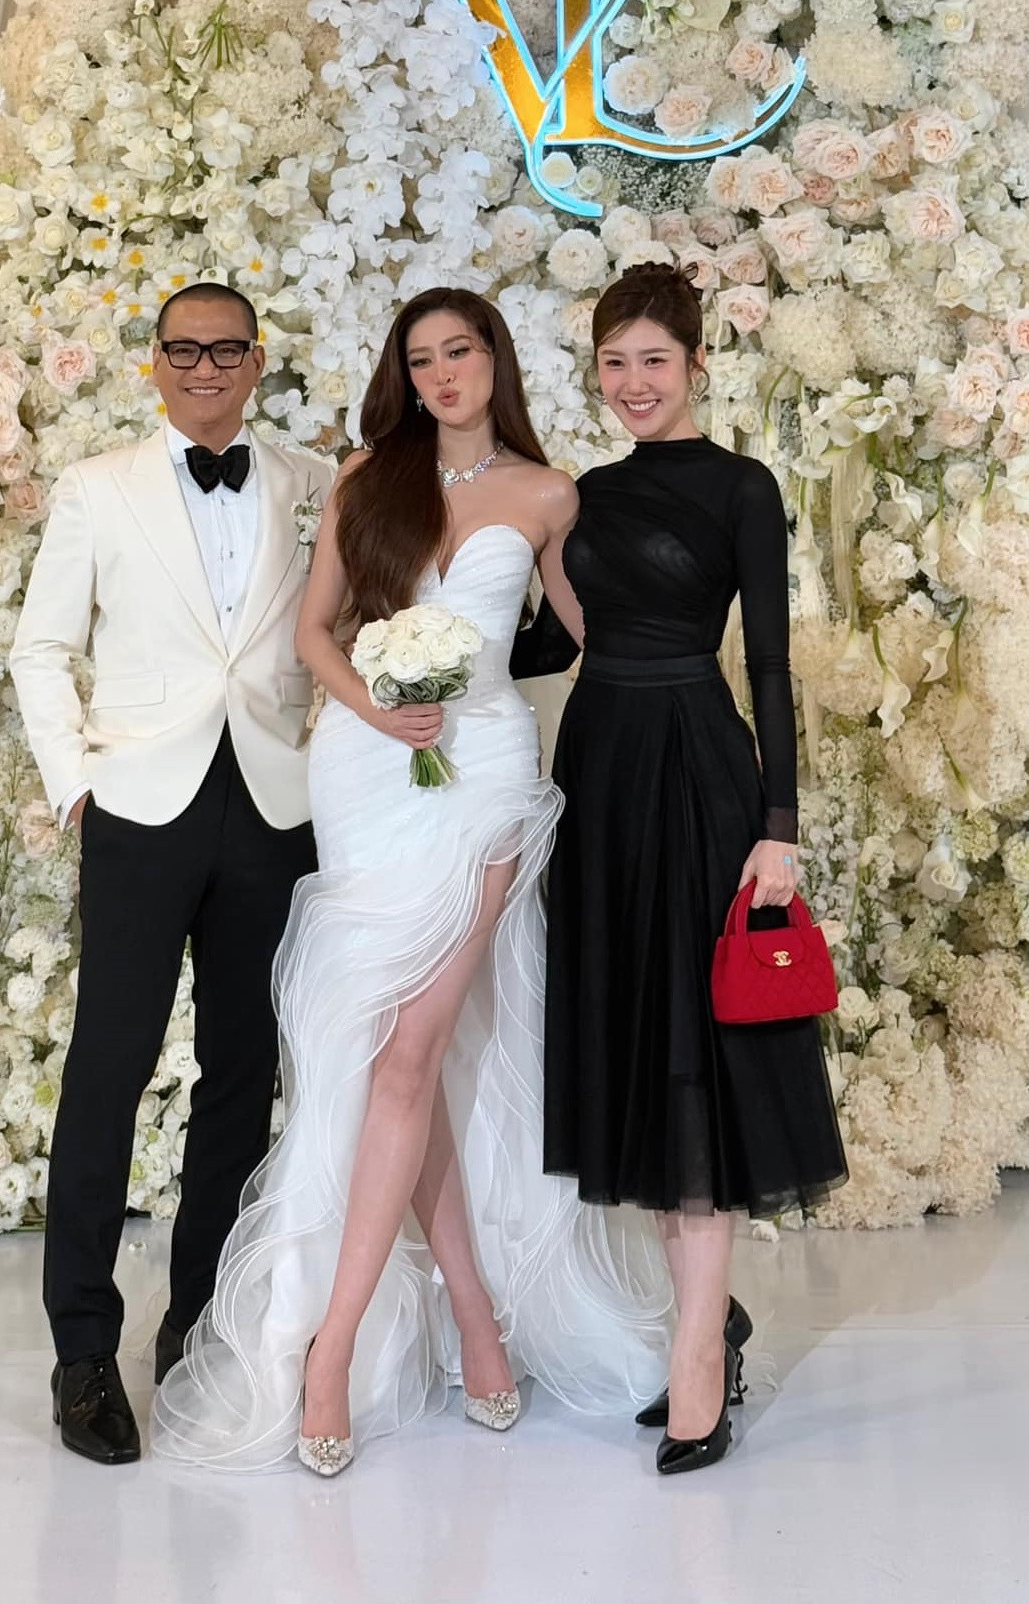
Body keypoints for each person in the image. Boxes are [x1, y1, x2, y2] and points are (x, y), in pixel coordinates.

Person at [152, 287, 670, 1476]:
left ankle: (331, 1348)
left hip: (483, 776)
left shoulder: (546, 496)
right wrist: (378, 713)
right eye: (421, 357)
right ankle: (471, 1314)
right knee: (401, 1055)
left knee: (405, 1050)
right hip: (364, 770)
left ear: (495, 359)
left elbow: (605, 634)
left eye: (460, 351)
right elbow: (314, 634)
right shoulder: (365, 477)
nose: (442, 374)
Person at [514, 263, 848, 1475]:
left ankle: (698, 1352)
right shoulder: (581, 494)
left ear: (697, 364)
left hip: (699, 770)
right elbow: (547, 641)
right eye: (613, 362)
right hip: (598, 774)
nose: (632, 382)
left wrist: (778, 821)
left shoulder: (741, 486)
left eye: (652, 359)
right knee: (638, 1045)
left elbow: (766, 664)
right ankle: (709, 1321)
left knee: (696, 1051)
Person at [10, 283, 334, 1465]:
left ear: (256, 361)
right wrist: (75, 783)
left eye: (226, 349)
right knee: (109, 1066)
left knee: (242, 1074)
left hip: (272, 807)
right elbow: (42, 646)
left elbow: (336, 632)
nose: (204, 367)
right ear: (152, 362)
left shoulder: (312, 480)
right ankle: (82, 1349)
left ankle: (196, 1323)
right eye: (183, 350)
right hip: (139, 808)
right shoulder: (97, 487)